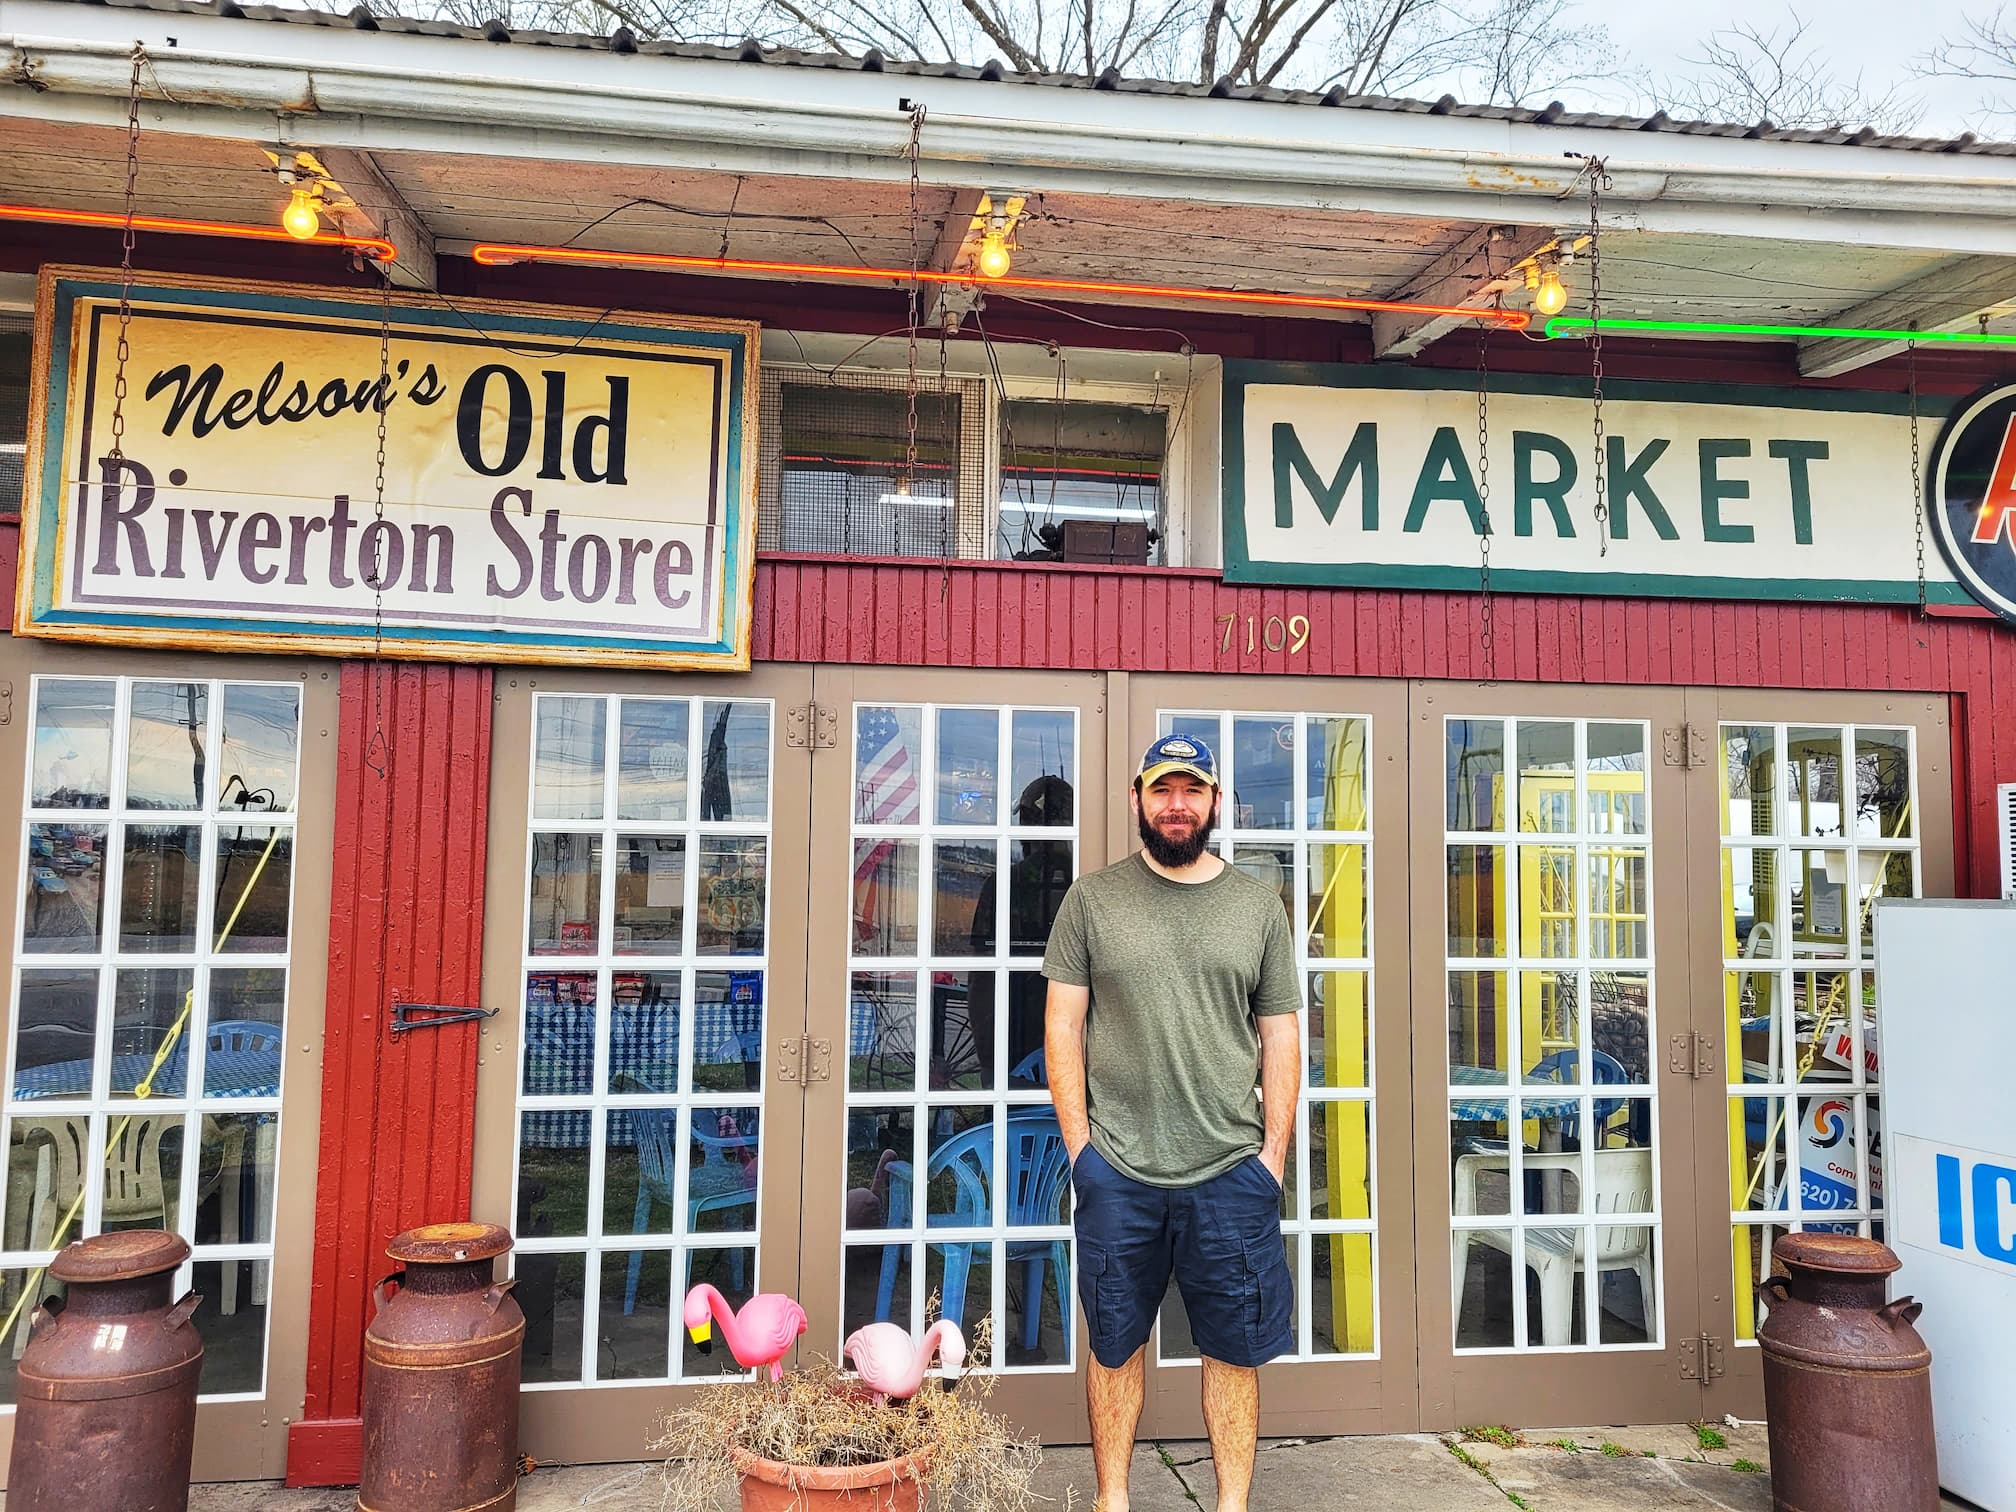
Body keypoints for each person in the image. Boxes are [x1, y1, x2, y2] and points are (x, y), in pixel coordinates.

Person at [1042, 733, 1301, 1512]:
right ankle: (1112, 1500)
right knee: (1115, 1345)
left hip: (1230, 1170)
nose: (1177, 806)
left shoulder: (1256, 904)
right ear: (1138, 799)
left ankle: (1231, 1506)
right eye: (1163, 790)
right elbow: (1061, 1027)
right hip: (1118, 1171)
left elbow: (1281, 1032)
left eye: (1192, 791)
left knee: (1234, 1351)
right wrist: (1082, 1152)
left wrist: (1273, 1160)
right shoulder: (1092, 900)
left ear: (1216, 801)